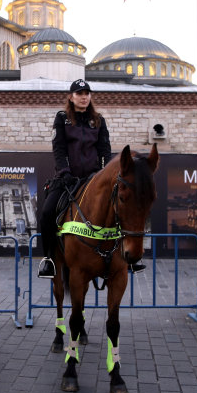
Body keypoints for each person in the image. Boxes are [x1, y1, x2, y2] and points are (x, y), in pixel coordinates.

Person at [37, 79, 145, 279]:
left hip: (94, 179)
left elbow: (104, 150)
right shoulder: (62, 118)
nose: (84, 97)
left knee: (122, 208)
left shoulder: (98, 120)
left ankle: (129, 257)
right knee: (47, 213)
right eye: (79, 93)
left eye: (87, 93)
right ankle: (49, 259)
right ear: (71, 97)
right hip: (67, 179)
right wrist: (65, 172)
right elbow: (59, 148)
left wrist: (102, 173)